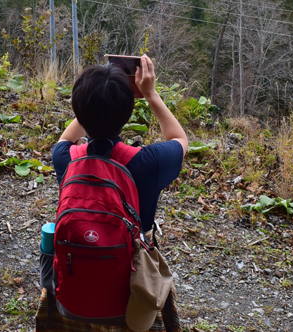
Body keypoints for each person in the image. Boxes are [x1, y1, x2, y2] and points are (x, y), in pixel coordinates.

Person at [38, 55, 186, 331]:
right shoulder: (146, 162)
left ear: (79, 113)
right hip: (131, 300)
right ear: (128, 113)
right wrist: (151, 94)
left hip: (71, 299)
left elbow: (65, 139)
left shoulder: (66, 158)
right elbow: (180, 140)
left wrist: (92, 102)